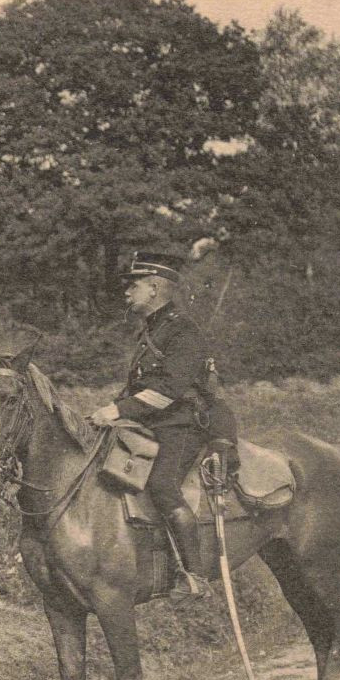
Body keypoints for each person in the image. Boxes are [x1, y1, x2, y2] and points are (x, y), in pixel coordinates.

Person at [87, 251, 234, 600]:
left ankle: (194, 575)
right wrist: (111, 411)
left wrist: (116, 409)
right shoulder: (153, 331)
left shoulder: (183, 331)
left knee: (162, 485)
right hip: (151, 424)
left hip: (180, 425)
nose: (127, 292)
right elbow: (139, 387)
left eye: (133, 284)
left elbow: (170, 390)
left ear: (154, 288)